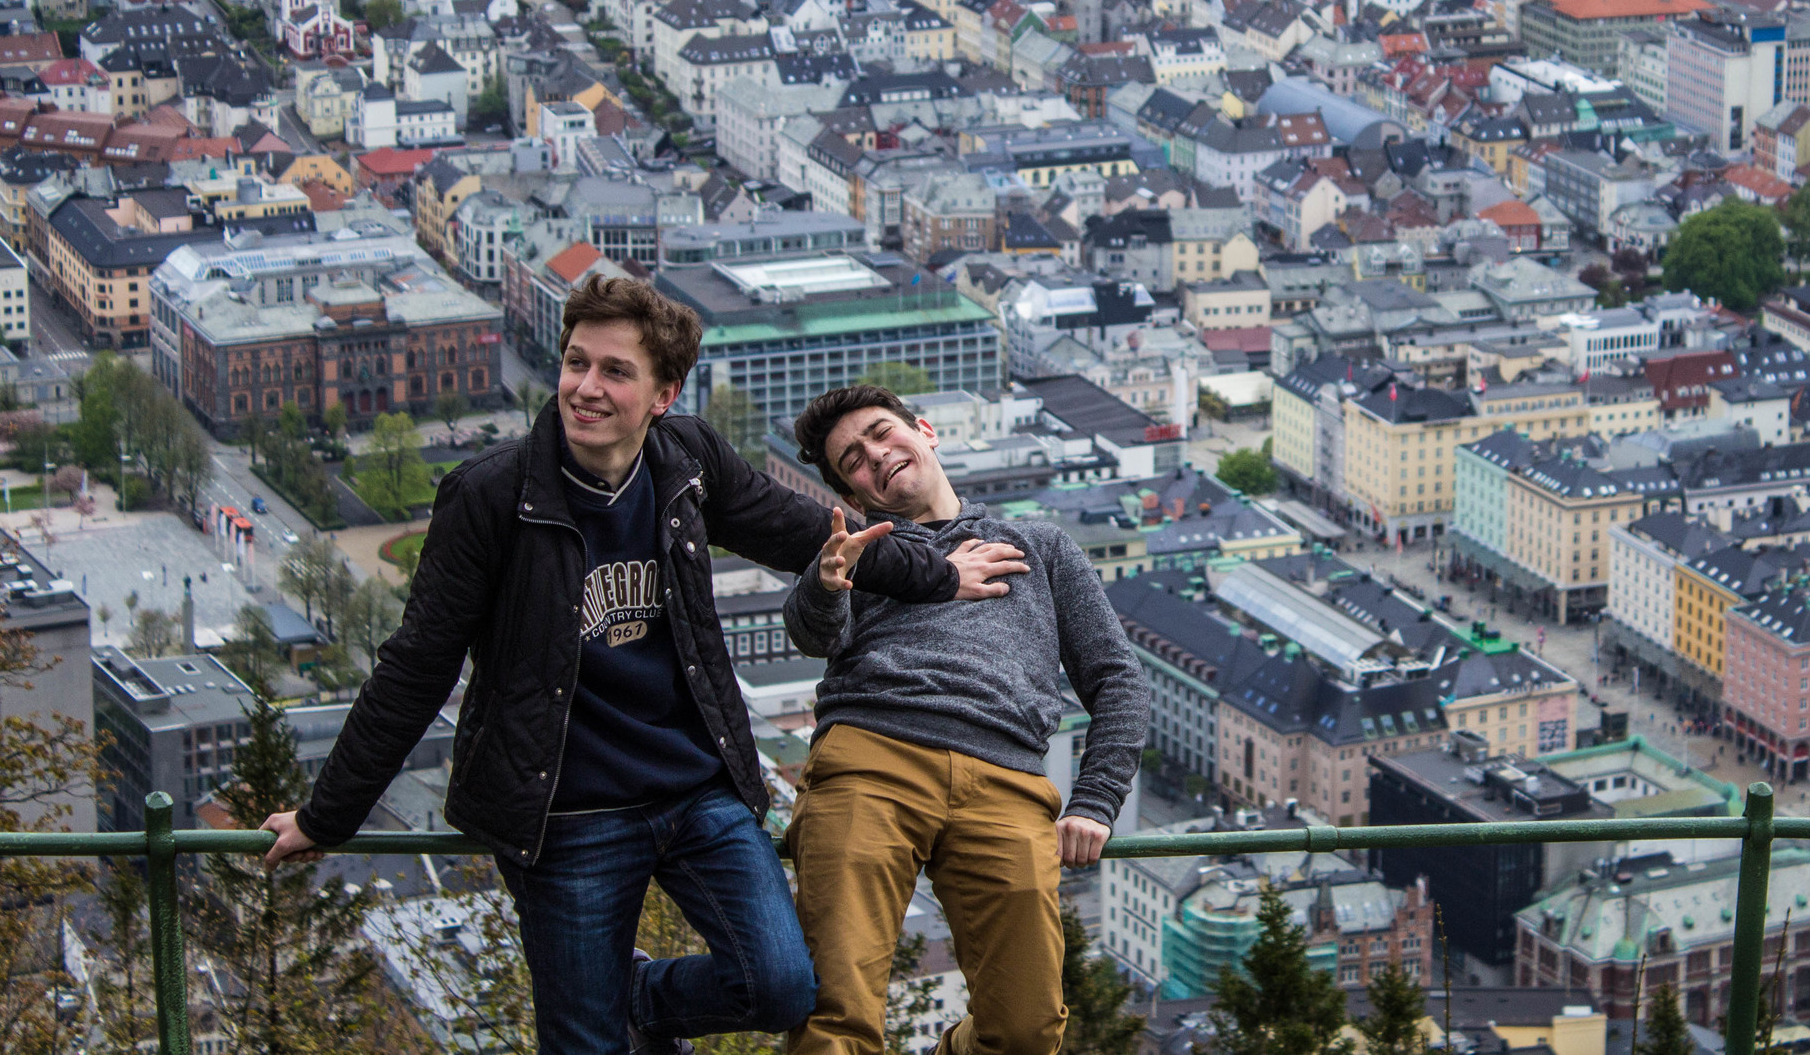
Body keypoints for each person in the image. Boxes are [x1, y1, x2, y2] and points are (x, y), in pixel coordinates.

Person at [259, 277, 1029, 1055]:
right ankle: (599, 1004)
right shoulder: (490, 497)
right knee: (584, 1045)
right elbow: (415, 666)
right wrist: (329, 815)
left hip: (694, 788)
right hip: (564, 811)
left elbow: (814, 535)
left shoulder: (686, 461)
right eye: (574, 362)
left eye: (614, 371)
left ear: (664, 393)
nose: (584, 388)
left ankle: (631, 996)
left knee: (781, 984)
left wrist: (938, 573)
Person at [783, 383, 1147, 1055]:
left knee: (1027, 1030)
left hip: (1004, 780)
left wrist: (1096, 799)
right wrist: (826, 578)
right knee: (837, 1015)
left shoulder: (1039, 544)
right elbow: (812, 632)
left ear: (925, 430)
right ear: (854, 494)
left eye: (881, 433)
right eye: (853, 461)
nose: (875, 456)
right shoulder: (863, 554)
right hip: (872, 760)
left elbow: (1118, 677)